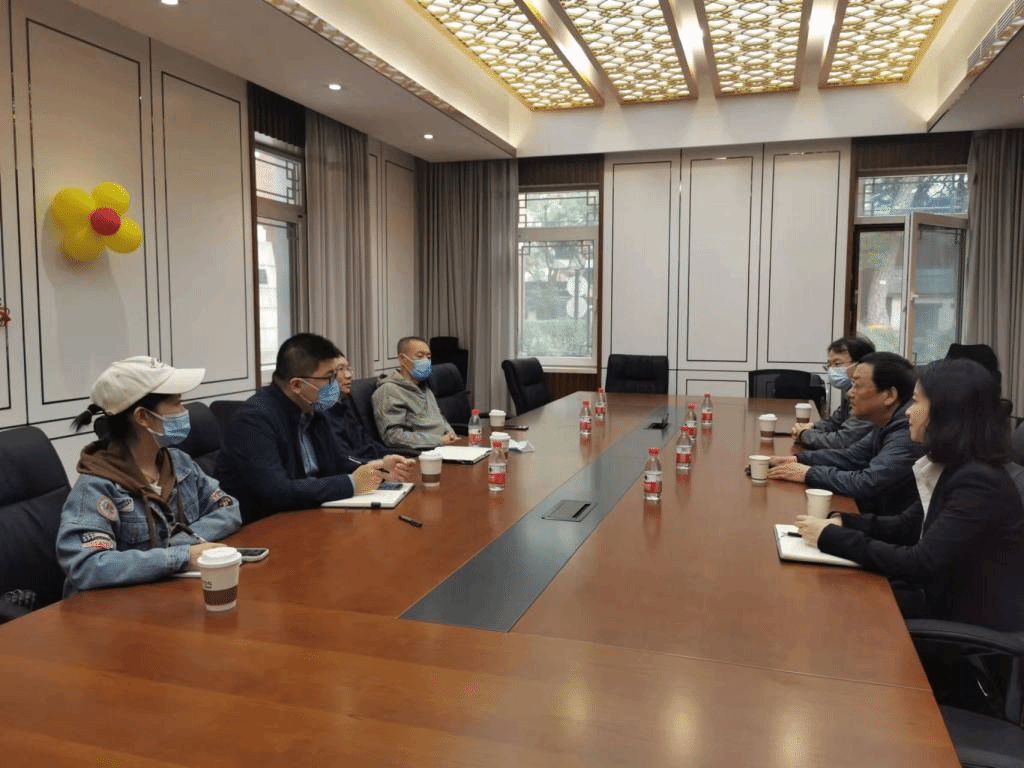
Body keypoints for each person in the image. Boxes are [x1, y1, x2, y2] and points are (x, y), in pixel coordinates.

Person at [794, 358, 1024, 631]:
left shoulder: (978, 482)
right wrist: (843, 521)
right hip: (937, 598)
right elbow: (907, 525)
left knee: (833, 613)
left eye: (916, 403)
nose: (908, 413)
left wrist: (831, 537)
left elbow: (920, 562)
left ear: (946, 412)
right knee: (830, 593)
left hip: (964, 623)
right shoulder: (953, 465)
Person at [57, 356, 242, 593]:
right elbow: (87, 565)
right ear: (143, 417)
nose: (184, 412)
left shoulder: (179, 463)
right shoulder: (95, 486)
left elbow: (228, 508)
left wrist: (179, 545)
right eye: (177, 403)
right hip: (113, 609)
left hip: (170, 594)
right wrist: (178, 556)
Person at [216, 334, 415, 523]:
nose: (336, 383)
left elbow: (337, 461)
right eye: (329, 377)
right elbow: (277, 491)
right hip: (263, 525)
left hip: (308, 512)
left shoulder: (313, 407)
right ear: (297, 385)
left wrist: (379, 468)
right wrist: (352, 483)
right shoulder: (254, 419)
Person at [768, 352, 923, 517]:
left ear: (890, 396)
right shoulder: (886, 421)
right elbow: (852, 456)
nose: (850, 393)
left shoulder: (907, 432)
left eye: (857, 385)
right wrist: (797, 459)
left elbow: (867, 483)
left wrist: (807, 473)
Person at [372, 335, 458, 450]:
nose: (426, 361)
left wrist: (452, 435)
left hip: (446, 447)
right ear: (403, 359)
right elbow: (393, 437)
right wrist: (439, 441)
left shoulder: (424, 386)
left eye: (428, 357)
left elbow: (439, 418)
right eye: (420, 356)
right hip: (422, 453)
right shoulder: (388, 391)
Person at [791, 335, 875, 449]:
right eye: (829, 365)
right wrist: (812, 427)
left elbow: (842, 441)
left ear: (860, 364)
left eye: (837, 364)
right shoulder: (851, 391)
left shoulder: (869, 397)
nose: (832, 370)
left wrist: (804, 434)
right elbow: (835, 422)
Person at [328, 353, 392, 460]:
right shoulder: (322, 412)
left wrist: (389, 456)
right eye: (340, 369)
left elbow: (365, 440)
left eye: (348, 369)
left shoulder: (346, 399)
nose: (348, 375)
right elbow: (343, 458)